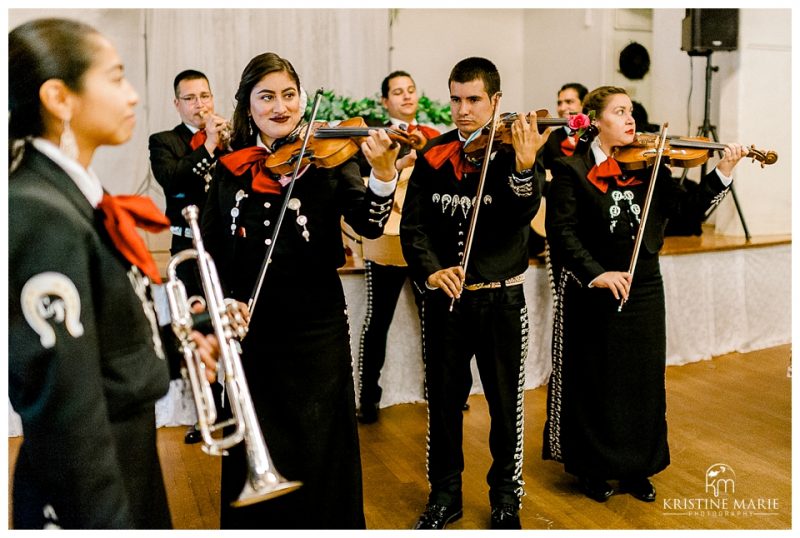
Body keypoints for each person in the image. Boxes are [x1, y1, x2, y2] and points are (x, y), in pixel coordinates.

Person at [8, 18, 220, 529]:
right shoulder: (38, 211)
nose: (132, 95)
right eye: (116, 78)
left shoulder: (74, 193)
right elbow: (67, 411)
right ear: (59, 98)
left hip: (128, 451)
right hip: (91, 481)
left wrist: (180, 344)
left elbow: (99, 347)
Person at [201, 52, 400, 529]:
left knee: (321, 445)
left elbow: (370, 224)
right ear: (248, 106)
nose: (280, 106)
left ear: (302, 99)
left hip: (317, 330)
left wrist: (383, 174)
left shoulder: (328, 160)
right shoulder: (230, 170)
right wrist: (221, 303)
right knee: (258, 440)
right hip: (252, 332)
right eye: (267, 96)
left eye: (289, 95)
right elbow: (209, 252)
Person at [542, 85, 745, 504]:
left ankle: (638, 466)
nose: (630, 119)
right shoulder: (571, 169)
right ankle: (593, 467)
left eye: (631, 111)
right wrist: (597, 274)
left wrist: (722, 172)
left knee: (642, 378)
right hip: (593, 290)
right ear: (595, 121)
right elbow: (562, 233)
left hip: (644, 286)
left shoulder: (650, 167)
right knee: (596, 377)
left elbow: (687, 214)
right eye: (619, 112)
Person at [400, 56, 548, 530]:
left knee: (506, 406)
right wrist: (431, 272)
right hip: (445, 300)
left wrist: (524, 167)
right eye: (456, 100)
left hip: (502, 300)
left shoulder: (518, 152)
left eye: (474, 100)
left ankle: (505, 497)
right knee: (444, 404)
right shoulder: (434, 153)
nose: (463, 110)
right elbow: (414, 227)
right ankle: (444, 496)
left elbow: (521, 215)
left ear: (496, 101)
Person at [355, 70, 441, 424]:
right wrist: (397, 163)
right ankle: (368, 398)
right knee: (378, 320)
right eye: (397, 92)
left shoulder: (433, 136)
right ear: (384, 101)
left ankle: (438, 391)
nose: (406, 96)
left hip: (423, 241)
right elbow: (361, 181)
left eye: (410, 90)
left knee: (434, 319)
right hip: (384, 238)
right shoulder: (374, 137)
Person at [149, 69, 229, 443]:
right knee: (198, 327)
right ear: (177, 103)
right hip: (187, 248)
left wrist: (225, 143)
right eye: (191, 98)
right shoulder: (164, 141)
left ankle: (241, 405)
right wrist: (209, 146)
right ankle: (209, 413)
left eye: (205, 96)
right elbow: (174, 180)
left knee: (234, 322)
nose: (200, 105)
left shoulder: (231, 137)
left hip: (228, 247)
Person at [532, 82, 588, 260]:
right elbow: (540, 174)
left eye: (569, 102)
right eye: (560, 103)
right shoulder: (550, 137)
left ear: (583, 104)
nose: (563, 108)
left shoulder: (593, 136)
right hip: (559, 208)